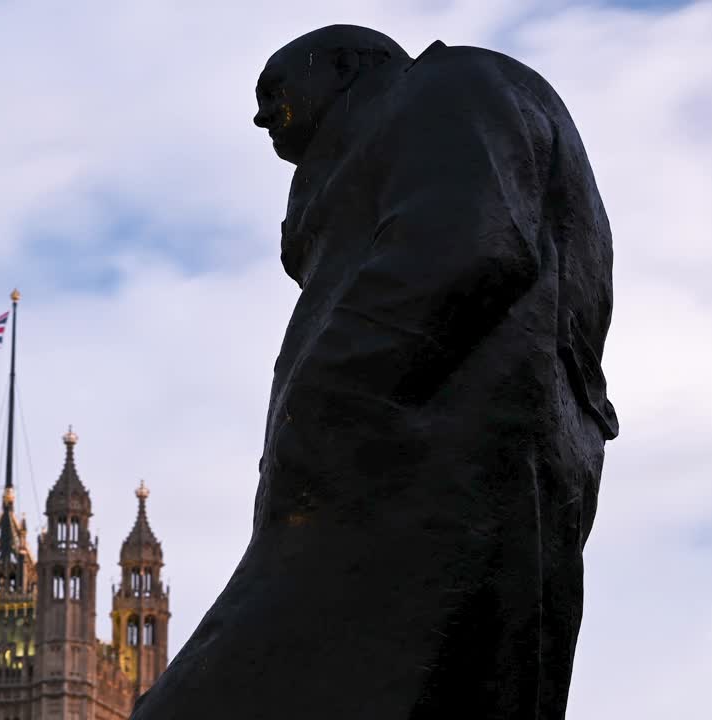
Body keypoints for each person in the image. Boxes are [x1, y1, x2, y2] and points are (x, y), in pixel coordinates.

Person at [129, 25, 619, 719]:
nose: (263, 117)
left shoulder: (451, 89)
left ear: (346, 65)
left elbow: (469, 244)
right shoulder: (388, 150)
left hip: (425, 468)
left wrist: (328, 395)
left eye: (276, 93)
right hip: (408, 469)